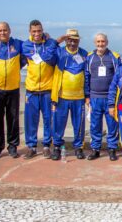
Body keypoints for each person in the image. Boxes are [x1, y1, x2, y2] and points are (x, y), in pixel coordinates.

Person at [0, 22, 25, 159]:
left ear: (10, 31)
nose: (3, 33)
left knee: (13, 119)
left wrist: (46, 36)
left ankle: (13, 146)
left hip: (13, 89)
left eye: (5, 30)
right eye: (0, 30)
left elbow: (33, 44)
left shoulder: (18, 44)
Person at [21, 20, 58, 159]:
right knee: (31, 120)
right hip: (31, 90)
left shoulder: (50, 42)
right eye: (34, 31)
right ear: (30, 32)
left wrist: (50, 41)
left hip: (48, 89)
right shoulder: (25, 45)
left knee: (48, 119)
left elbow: (51, 57)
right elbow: (41, 57)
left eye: (39, 31)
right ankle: (32, 147)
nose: (37, 34)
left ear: (43, 30)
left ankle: (47, 146)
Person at [50, 29, 88, 160]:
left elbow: (88, 75)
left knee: (79, 124)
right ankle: (56, 147)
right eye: (70, 39)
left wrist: (87, 95)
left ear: (78, 40)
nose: (72, 42)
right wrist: (56, 42)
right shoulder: (59, 52)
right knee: (58, 123)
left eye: (75, 40)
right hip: (61, 96)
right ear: (66, 40)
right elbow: (47, 56)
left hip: (79, 97)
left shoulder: (84, 54)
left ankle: (78, 147)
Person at [85, 33, 122, 161]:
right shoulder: (89, 57)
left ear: (107, 42)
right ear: (95, 43)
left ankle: (112, 149)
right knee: (95, 125)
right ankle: (95, 149)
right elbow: (86, 77)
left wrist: (117, 97)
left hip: (110, 98)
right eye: (98, 42)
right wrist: (87, 96)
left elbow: (119, 78)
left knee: (112, 125)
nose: (101, 44)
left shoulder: (114, 57)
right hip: (94, 97)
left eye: (103, 41)